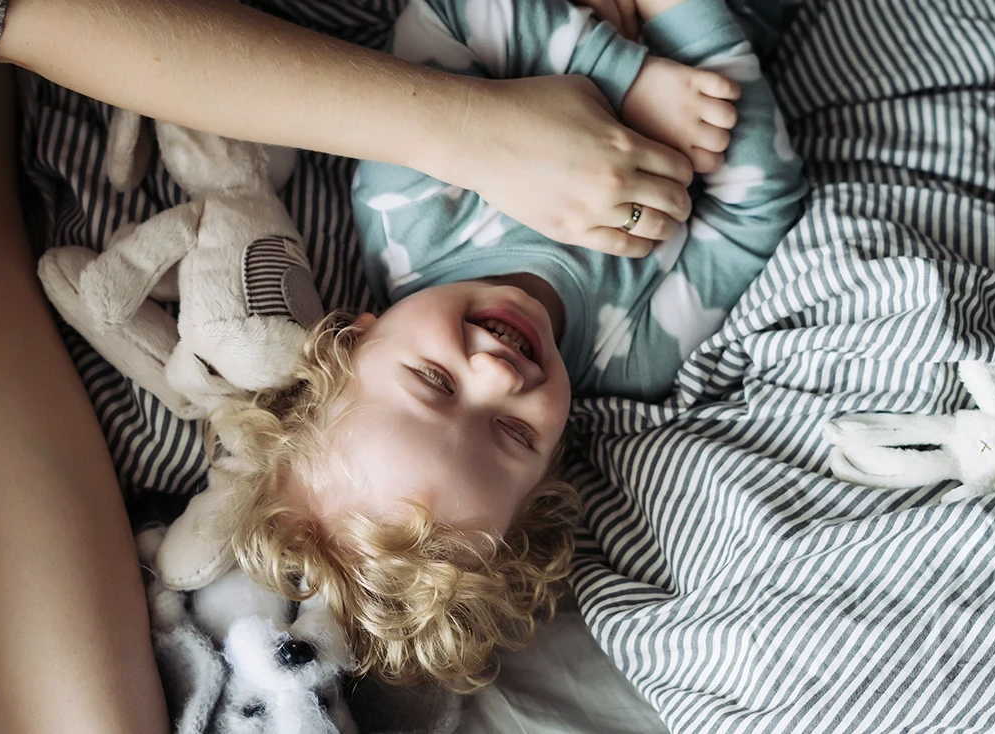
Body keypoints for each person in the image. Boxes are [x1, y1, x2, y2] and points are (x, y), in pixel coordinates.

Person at [0, 0, 705, 731]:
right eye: (499, 423)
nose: (498, 372)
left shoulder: (206, 417)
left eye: (441, 386)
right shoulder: (405, 243)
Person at [213, 0, 807, 692]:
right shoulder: (636, 350)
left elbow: (446, 15)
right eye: (514, 434)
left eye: (434, 381)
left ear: (353, 338)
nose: (497, 375)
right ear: (548, 472)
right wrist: (679, 21)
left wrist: (628, 77)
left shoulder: (407, 205)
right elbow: (759, 214)